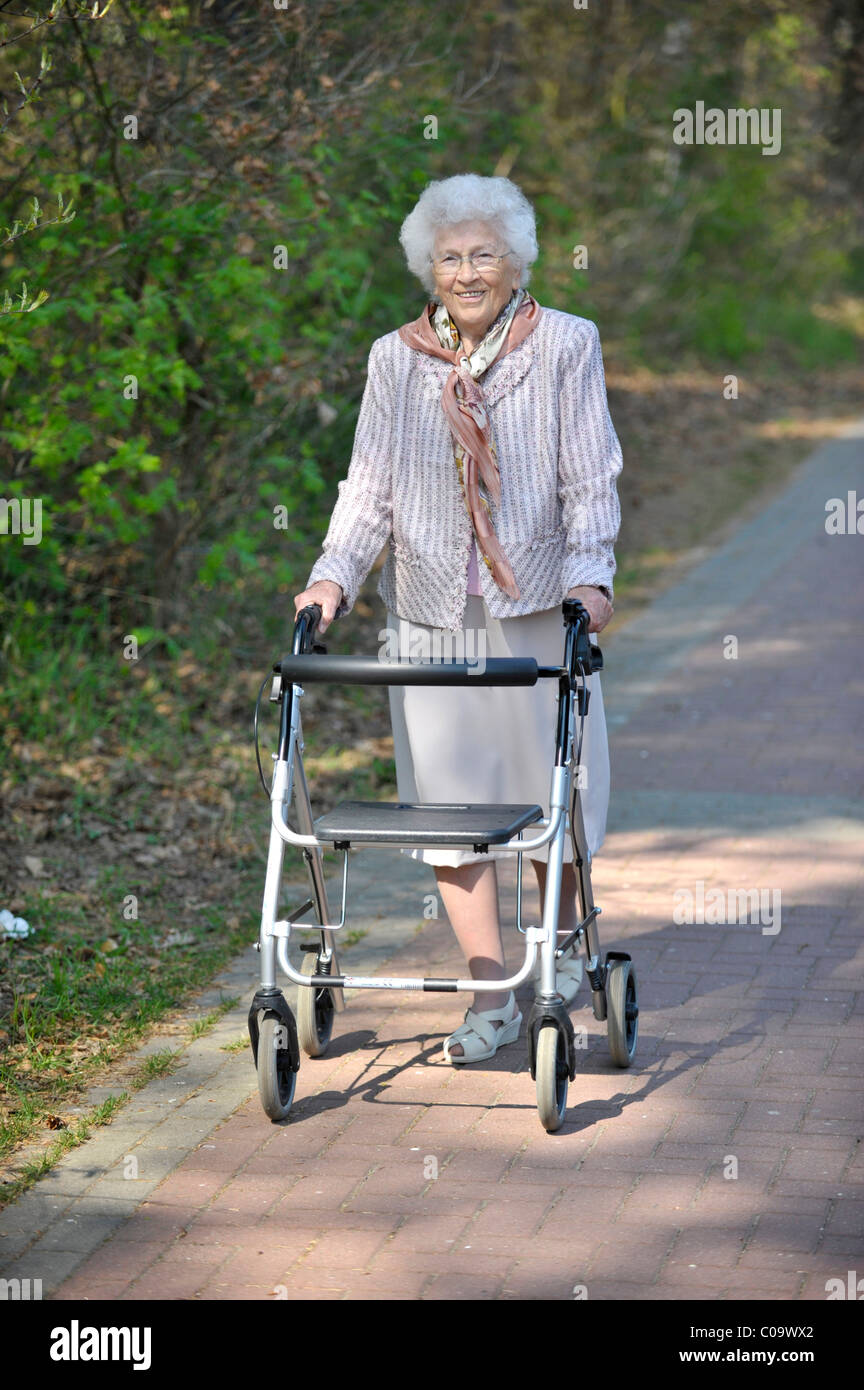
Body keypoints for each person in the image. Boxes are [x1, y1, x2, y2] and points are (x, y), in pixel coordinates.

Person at [293, 172, 622, 1064]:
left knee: (554, 794)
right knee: (447, 810)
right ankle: (489, 994)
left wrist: (592, 583)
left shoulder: (565, 345)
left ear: (515, 261)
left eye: (484, 254)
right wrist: (333, 578)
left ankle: (551, 963)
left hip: (538, 610)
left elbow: (588, 480)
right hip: (433, 617)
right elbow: (370, 487)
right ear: (426, 267)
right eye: (450, 257)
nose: (467, 272)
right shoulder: (394, 358)